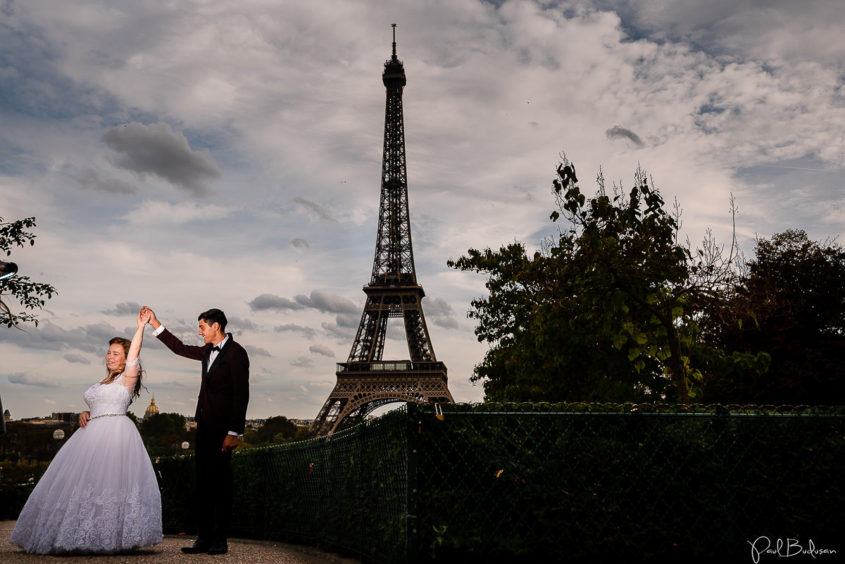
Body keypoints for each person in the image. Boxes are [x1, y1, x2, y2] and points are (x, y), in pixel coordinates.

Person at [10, 310, 162, 554]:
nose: (109, 356)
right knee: (83, 483)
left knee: (108, 482)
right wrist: (86, 411)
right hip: (91, 432)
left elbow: (134, 352)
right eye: (108, 352)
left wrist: (141, 327)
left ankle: (106, 535)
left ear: (125, 360)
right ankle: (79, 533)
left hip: (114, 433)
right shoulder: (104, 381)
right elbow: (100, 401)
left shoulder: (128, 378)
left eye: (115, 353)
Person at [142, 306, 249, 556]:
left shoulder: (236, 353)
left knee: (221, 486)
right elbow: (179, 348)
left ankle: (219, 541)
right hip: (204, 427)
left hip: (224, 430)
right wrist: (155, 323)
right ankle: (204, 539)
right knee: (203, 485)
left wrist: (234, 433)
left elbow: (241, 395)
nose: (199, 332)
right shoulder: (206, 352)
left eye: (202, 327)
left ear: (216, 327)